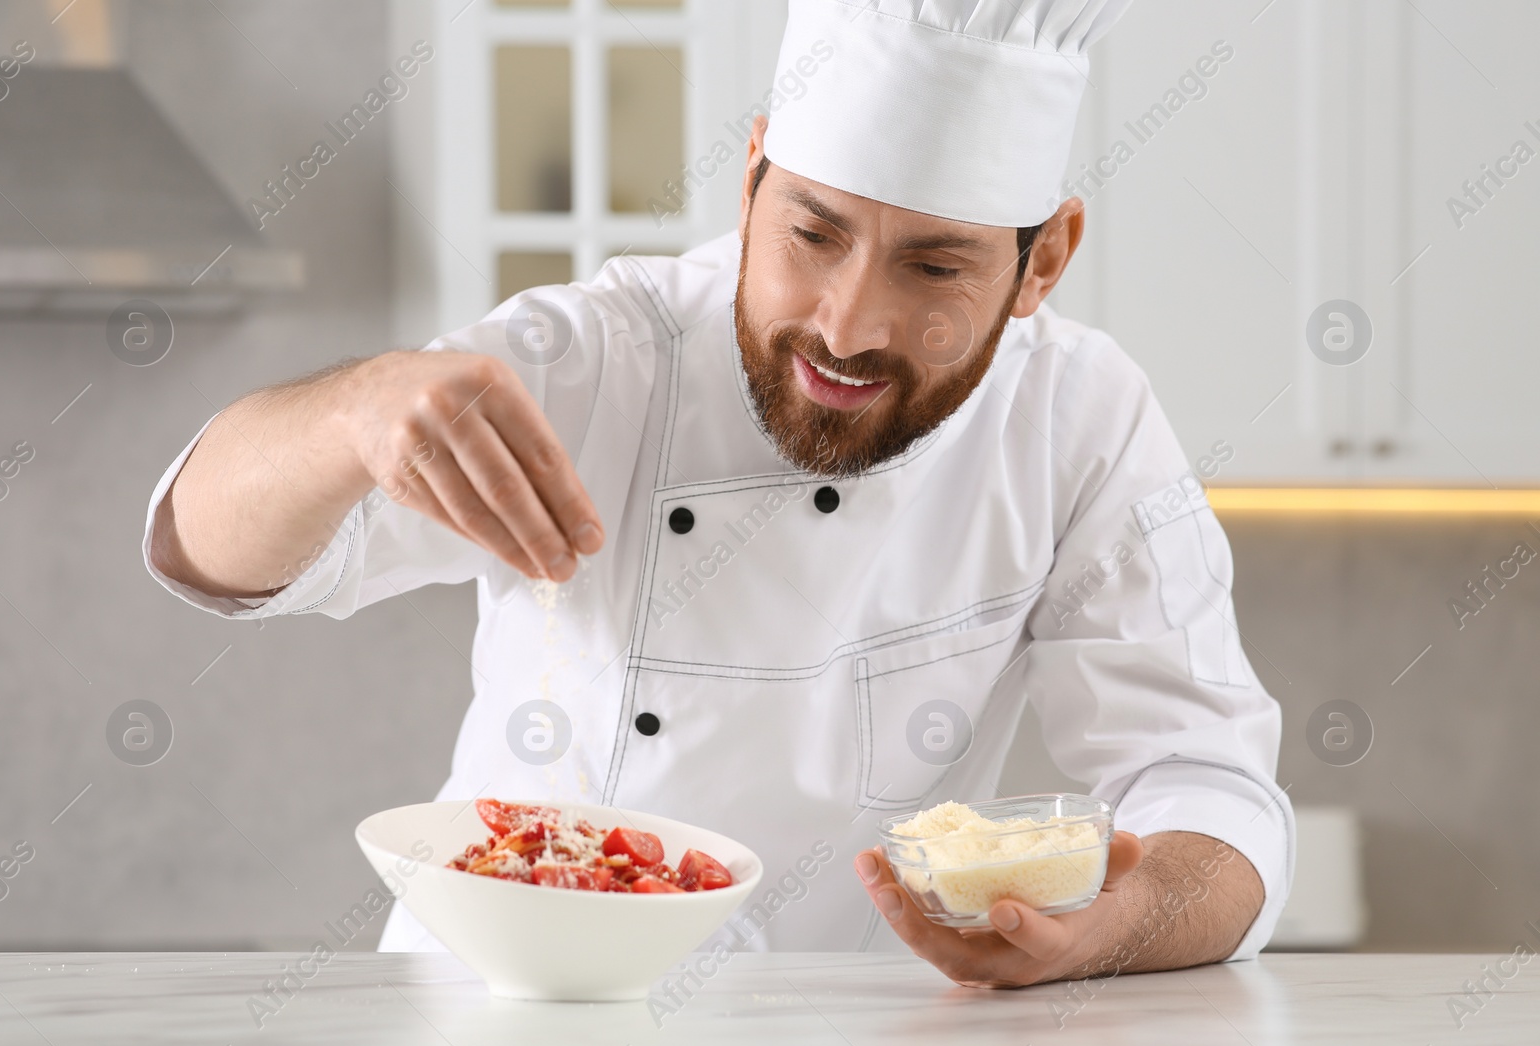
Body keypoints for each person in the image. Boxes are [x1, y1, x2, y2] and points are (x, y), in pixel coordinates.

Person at [144, 0, 1292, 988]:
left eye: (934, 266)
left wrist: (1106, 930)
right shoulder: (590, 357)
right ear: (748, 185)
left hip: (851, 1031)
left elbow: (1206, 779)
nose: (847, 325)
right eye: (811, 233)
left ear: (1042, 263)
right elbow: (212, 553)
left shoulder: (1078, 417)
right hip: (497, 1015)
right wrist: (351, 413)